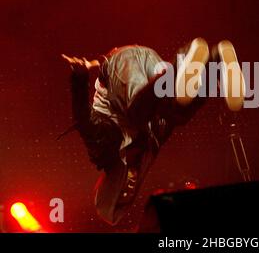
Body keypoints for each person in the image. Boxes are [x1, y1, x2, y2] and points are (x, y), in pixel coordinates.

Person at [62, 38, 245, 225]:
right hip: (153, 69)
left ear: (111, 186)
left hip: (121, 64)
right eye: (129, 196)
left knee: (136, 114)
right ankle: (215, 60)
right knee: (176, 114)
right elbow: (172, 116)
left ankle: (181, 69)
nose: (129, 189)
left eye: (121, 193)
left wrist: (79, 77)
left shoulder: (103, 151)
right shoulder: (149, 147)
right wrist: (205, 85)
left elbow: (83, 119)